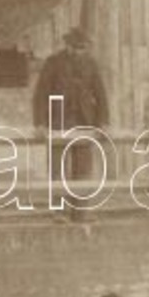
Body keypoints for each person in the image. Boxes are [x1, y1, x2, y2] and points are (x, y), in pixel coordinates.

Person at [32, 27, 108, 221]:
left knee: (83, 169)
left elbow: (101, 95)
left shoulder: (91, 64)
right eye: (76, 47)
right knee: (57, 168)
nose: (80, 51)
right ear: (68, 46)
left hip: (84, 123)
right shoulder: (53, 63)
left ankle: (80, 212)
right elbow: (41, 94)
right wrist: (40, 123)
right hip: (58, 123)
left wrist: (103, 122)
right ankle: (59, 212)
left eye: (83, 48)